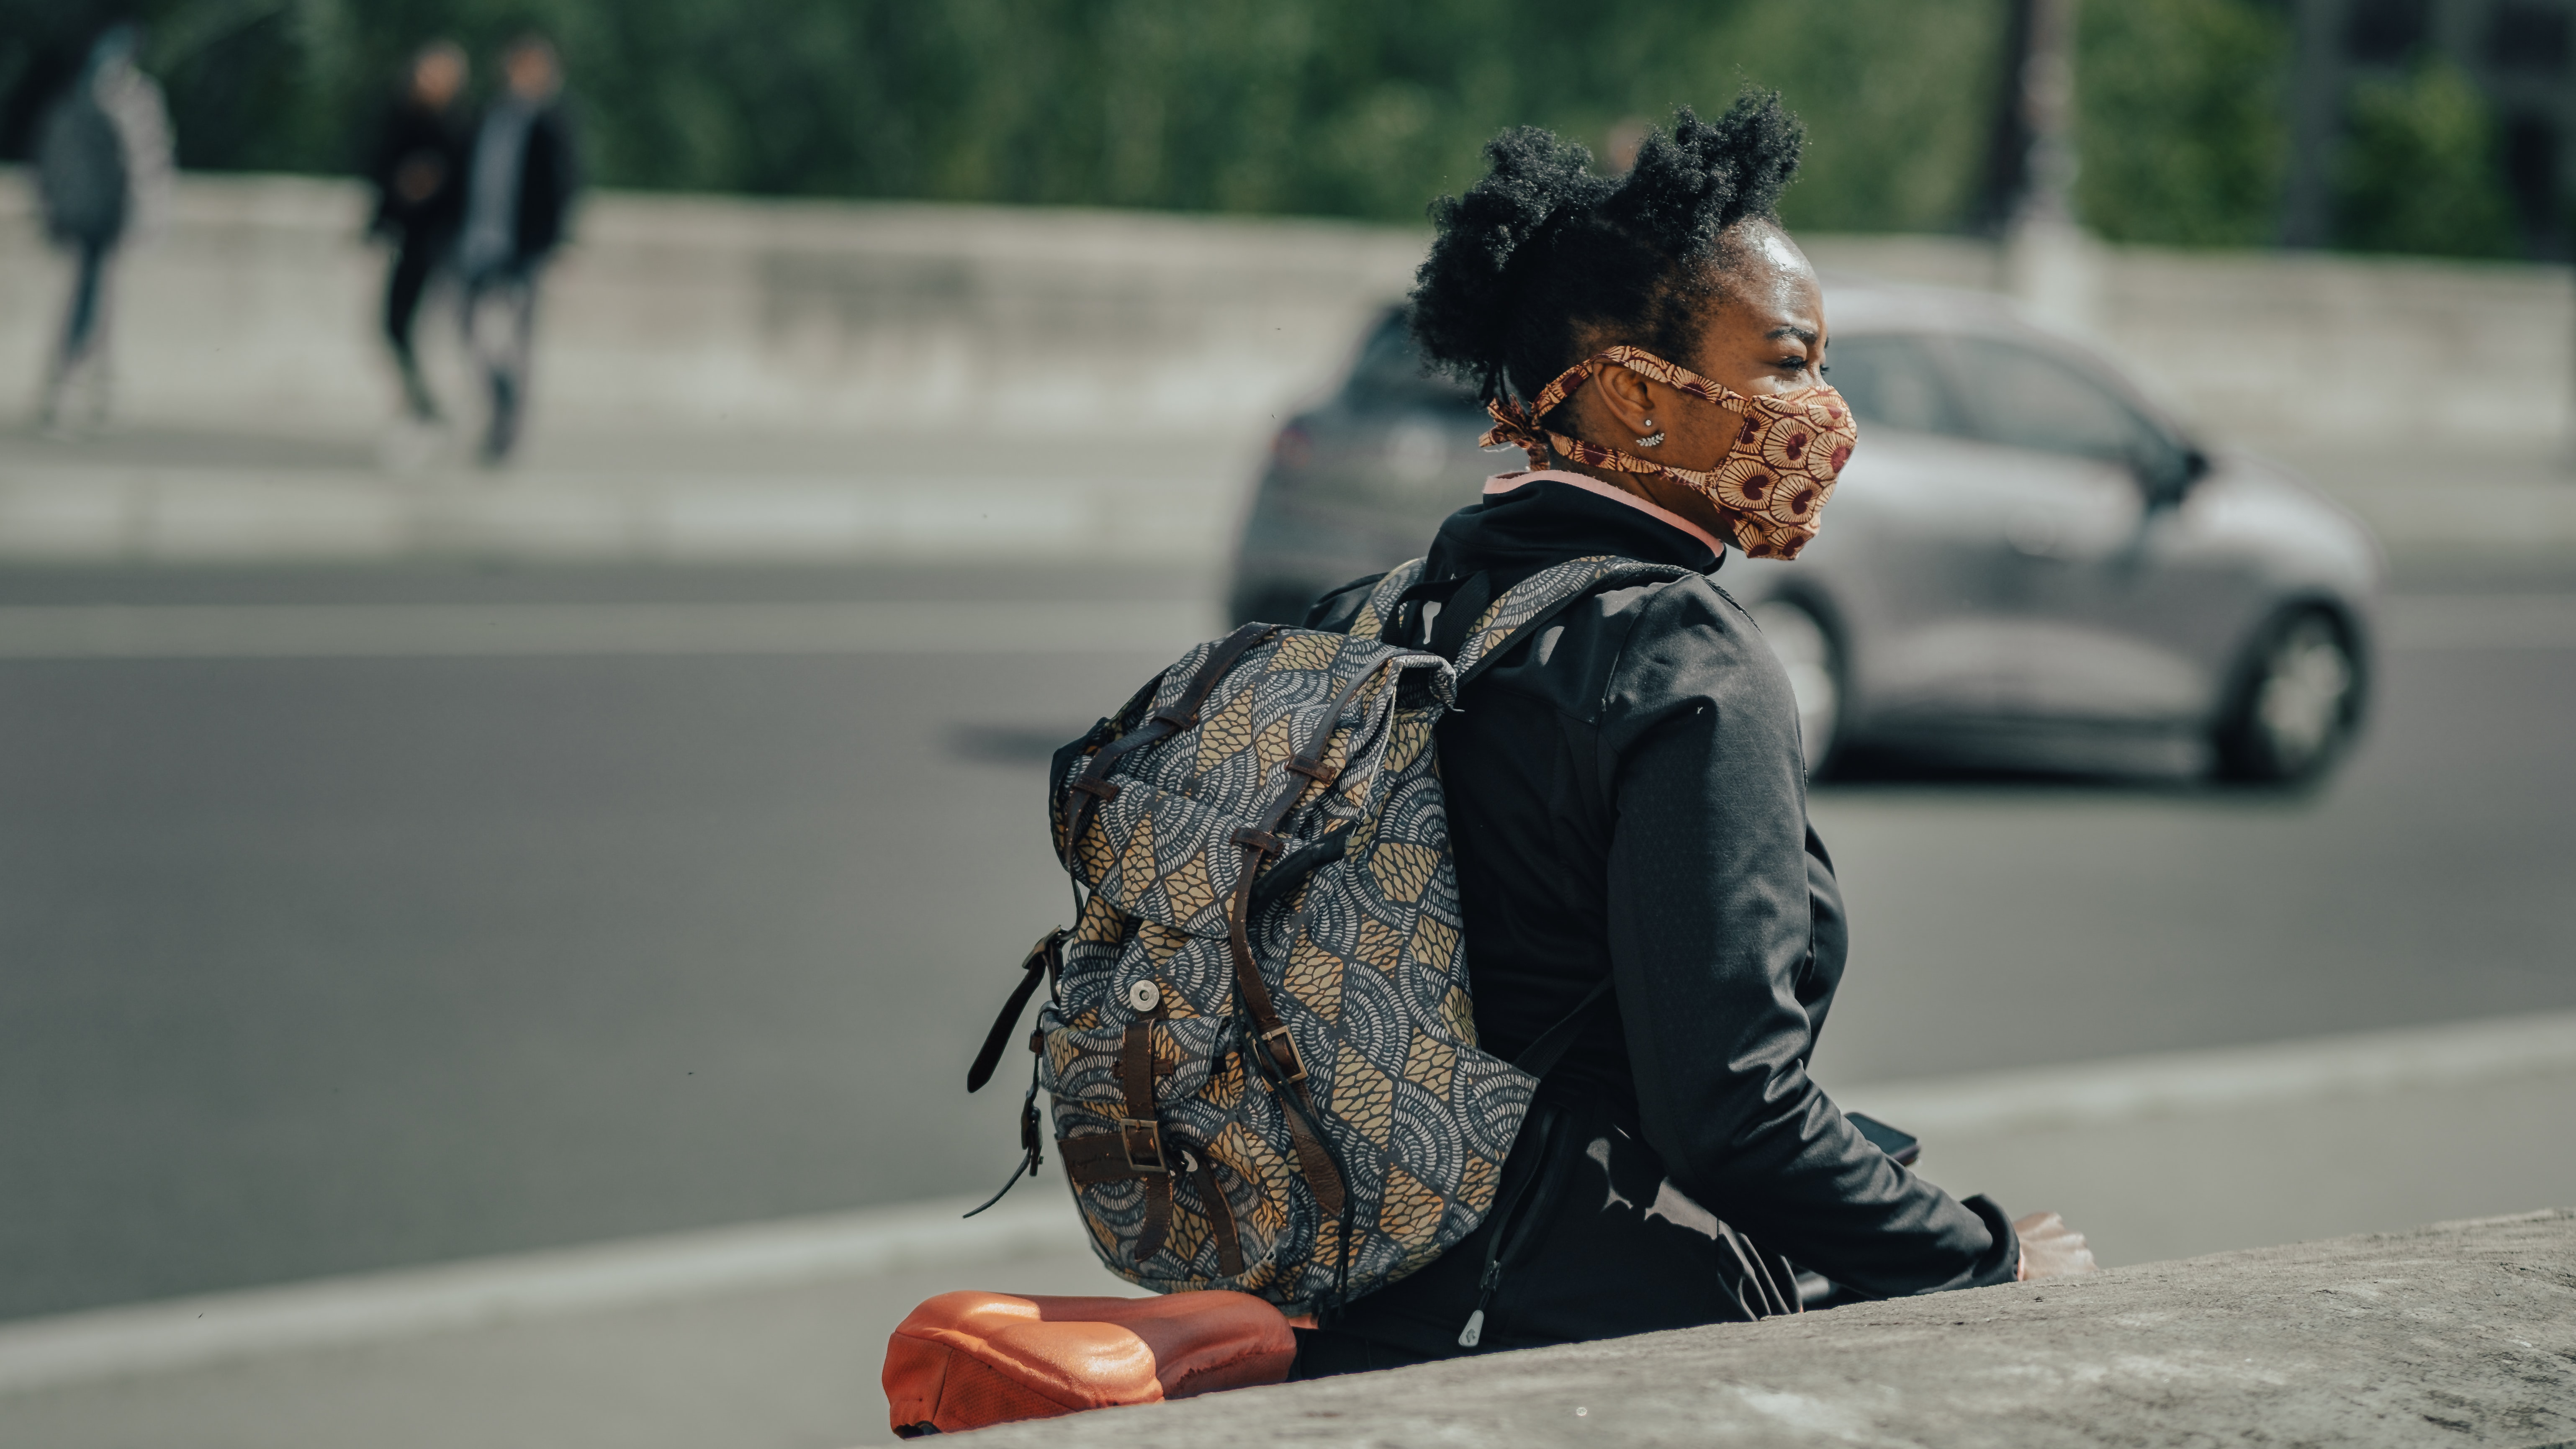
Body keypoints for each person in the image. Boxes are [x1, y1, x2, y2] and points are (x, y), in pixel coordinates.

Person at [1291, 95, 2094, 1376]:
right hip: (1568, 1337)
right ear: (1632, 402)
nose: (1824, 410)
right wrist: (1979, 1255)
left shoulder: (1380, 614)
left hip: (1360, 1296)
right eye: (1785, 362)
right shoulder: (1680, 658)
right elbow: (1729, 1113)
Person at [33, 23, 173, 434]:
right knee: (93, 302)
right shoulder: (111, 100)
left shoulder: (87, 97)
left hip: (97, 218)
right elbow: (147, 165)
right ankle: (76, 385)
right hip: (97, 218)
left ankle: (85, 385)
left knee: (98, 300)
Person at [454, 34, 578, 463]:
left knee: (515, 340)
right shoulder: (489, 114)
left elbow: (564, 186)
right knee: (469, 329)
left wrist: (554, 244)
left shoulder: (551, 121)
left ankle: (508, 429)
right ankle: (500, 397)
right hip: (479, 242)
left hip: (522, 248)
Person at [368, 40, 472, 423]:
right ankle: (421, 400)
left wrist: (434, 183)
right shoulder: (402, 117)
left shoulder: (461, 126)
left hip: (441, 241)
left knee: (431, 327)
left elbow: (467, 187)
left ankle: (431, 406)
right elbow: (381, 175)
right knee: (393, 324)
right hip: (409, 240)